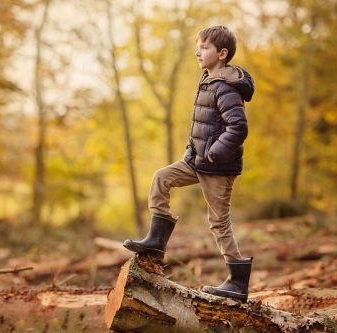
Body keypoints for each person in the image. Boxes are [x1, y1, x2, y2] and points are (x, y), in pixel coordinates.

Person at [123, 25, 255, 303]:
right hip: (197, 160)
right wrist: (191, 152)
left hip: (217, 166)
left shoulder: (225, 87)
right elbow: (200, 125)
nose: (197, 52)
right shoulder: (207, 80)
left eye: (204, 47)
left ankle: (237, 283)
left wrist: (215, 153)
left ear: (222, 54)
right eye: (198, 46)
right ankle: (156, 242)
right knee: (162, 177)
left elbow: (238, 127)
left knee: (218, 223)